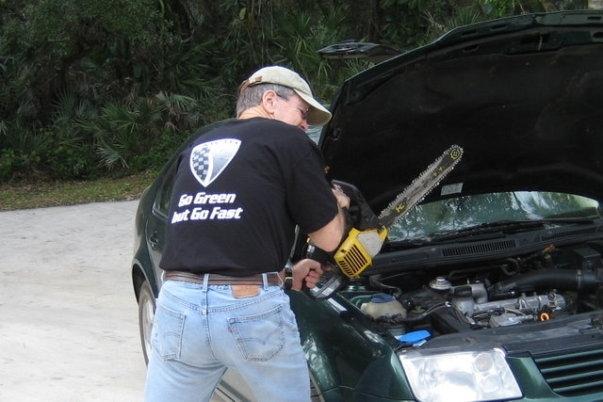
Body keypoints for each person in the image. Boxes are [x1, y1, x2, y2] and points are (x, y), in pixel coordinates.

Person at [144, 65, 350, 402]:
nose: (305, 125)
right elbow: (328, 239)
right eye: (302, 112)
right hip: (248, 310)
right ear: (270, 100)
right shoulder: (288, 140)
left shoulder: (199, 144)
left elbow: (219, 236)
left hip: (178, 304)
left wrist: (285, 274)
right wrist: (337, 202)